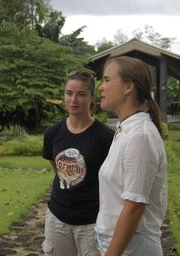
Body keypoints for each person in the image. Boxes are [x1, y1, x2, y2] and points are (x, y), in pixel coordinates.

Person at [95, 56, 167, 256]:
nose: (101, 87)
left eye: (107, 80)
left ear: (128, 87)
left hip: (133, 247)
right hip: (121, 244)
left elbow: (135, 206)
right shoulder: (126, 130)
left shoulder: (140, 136)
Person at [42, 70, 114, 256]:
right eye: (69, 93)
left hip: (92, 223)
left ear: (92, 97)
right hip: (57, 218)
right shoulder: (52, 133)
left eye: (81, 94)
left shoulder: (106, 137)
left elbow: (112, 181)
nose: (73, 100)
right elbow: (57, 170)